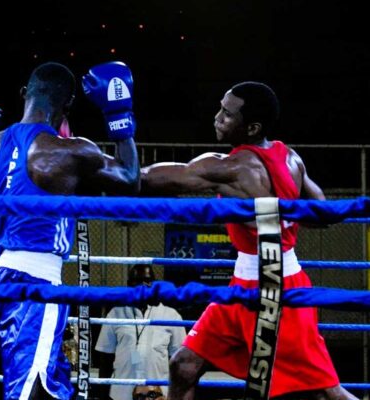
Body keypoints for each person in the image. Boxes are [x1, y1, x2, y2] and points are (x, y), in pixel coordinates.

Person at [141, 81, 357, 400]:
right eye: (221, 108)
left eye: (227, 114)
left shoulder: (233, 166)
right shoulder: (290, 157)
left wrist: (112, 168)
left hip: (278, 287)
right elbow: (324, 213)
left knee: (325, 393)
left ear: (252, 127)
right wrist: (278, 210)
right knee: (183, 366)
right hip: (243, 285)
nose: (217, 117)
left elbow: (159, 178)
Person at [0, 61, 140, 399]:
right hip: (38, 282)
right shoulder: (68, 151)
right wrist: (118, 115)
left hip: (2, 274)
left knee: (56, 386)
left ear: (24, 94)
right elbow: (130, 179)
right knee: (29, 390)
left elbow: (0, 215)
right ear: (68, 105)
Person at [95, 264, 186, 400]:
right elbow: (105, 360)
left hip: (158, 395)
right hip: (121, 394)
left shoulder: (171, 316)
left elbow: (180, 362)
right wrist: (102, 396)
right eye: (137, 281)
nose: (143, 285)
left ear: (154, 284)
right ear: (129, 284)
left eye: (147, 280)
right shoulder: (115, 313)